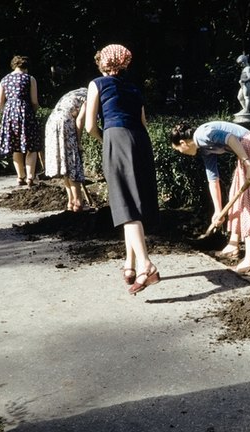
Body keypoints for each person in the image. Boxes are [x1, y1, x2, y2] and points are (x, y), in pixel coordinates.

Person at [85, 44, 160, 295]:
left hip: (116, 137)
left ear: (103, 64)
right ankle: (129, 264)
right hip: (140, 141)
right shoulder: (134, 88)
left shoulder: (97, 84)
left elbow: (88, 125)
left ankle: (145, 265)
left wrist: (104, 139)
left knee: (125, 205)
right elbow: (142, 122)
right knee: (134, 202)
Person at [170, 121, 250, 275]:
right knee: (236, 195)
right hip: (246, 152)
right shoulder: (204, 149)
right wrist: (218, 211)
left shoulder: (202, 135)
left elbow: (231, 139)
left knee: (248, 203)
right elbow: (213, 180)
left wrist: (247, 165)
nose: (181, 153)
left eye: (179, 150)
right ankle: (234, 244)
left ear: (183, 143)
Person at [0, 55, 42, 187]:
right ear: (26, 67)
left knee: (15, 146)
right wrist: (33, 112)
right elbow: (34, 101)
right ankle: (30, 177)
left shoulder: (5, 79)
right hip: (25, 113)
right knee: (31, 147)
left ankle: (20, 177)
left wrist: (6, 111)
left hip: (9, 113)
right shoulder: (30, 78)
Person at [44, 87, 88, 212]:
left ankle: (71, 201)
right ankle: (79, 202)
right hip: (65, 123)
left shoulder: (76, 92)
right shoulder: (89, 98)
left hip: (52, 123)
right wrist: (78, 142)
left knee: (65, 164)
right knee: (72, 163)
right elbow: (80, 120)